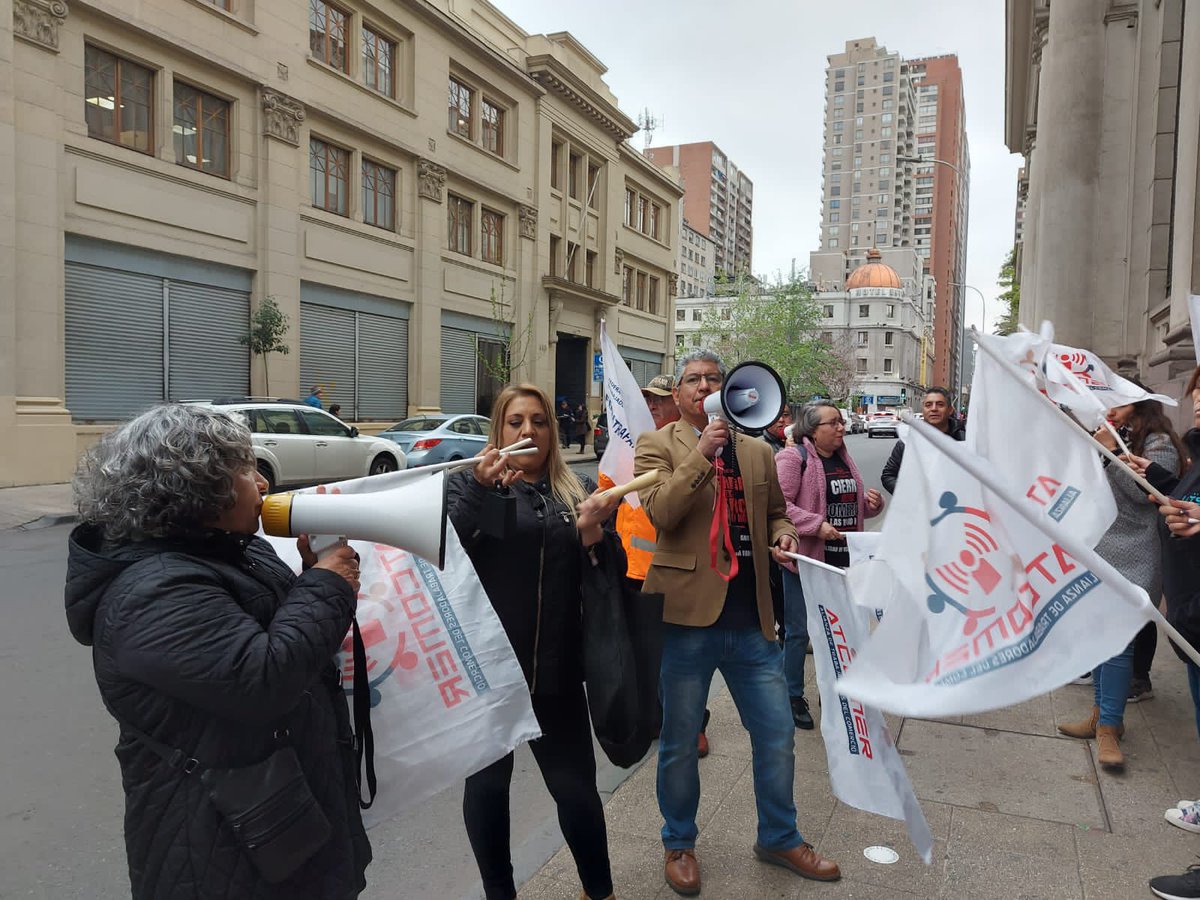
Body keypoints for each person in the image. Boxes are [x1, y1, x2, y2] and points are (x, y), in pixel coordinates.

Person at [64, 404, 371, 899]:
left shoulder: (231, 547)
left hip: (278, 822)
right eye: (247, 469)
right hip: (220, 852)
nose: (263, 484)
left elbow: (280, 628)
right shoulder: (152, 592)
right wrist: (325, 584)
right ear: (198, 486)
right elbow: (262, 678)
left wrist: (314, 576)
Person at [634, 349, 841, 895]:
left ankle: (779, 835)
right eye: (693, 380)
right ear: (679, 395)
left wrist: (785, 536)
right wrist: (701, 454)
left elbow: (776, 511)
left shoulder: (756, 450)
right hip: (688, 621)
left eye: (713, 379)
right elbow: (659, 512)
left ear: (730, 390)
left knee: (775, 736)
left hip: (752, 621)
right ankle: (678, 841)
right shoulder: (657, 445)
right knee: (680, 741)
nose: (704, 386)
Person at [447, 384, 622, 900]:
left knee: (576, 791)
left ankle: (601, 891)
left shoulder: (574, 491)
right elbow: (450, 554)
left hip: (558, 673)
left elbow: (608, 573)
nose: (528, 432)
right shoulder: (469, 485)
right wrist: (483, 492)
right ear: (498, 432)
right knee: (486, 791)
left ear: (553, 432)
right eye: (516, 422)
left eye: (539, 422)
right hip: (491, 675)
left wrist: (594, 537)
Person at [1056, 396, 1183, 769]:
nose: (1110, 410)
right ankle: (1100, 715)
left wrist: (1108, 449)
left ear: (1139, 406)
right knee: (1099, 637)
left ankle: (1110, 727)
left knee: (1118, 641)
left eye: (1119, 404)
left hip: (1136, 553)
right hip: (1102, 548)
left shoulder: (1158, 442)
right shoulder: (1116, 435)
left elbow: (1144, 495)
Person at [776, 401, 884, 730]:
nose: (840, 427)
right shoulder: (793, 458)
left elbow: (852, 507)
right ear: (812, 429)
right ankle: (792, 696)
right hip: (806, 563)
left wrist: (869, 504)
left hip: (843, 564)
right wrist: (814, 525)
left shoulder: (844, 458)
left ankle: (834, 692)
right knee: (798, 634)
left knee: (839, 631)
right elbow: (779, 505)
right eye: (833, 423)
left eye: (840, 422)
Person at [880, 387, 964, 494]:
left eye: (940, 404)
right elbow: (889, 476)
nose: (934, 409)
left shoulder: (964, 440)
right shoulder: (906, 442)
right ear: (923, 410)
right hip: (919, 508)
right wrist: (911, 494)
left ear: (950, 410)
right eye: (928, 405)